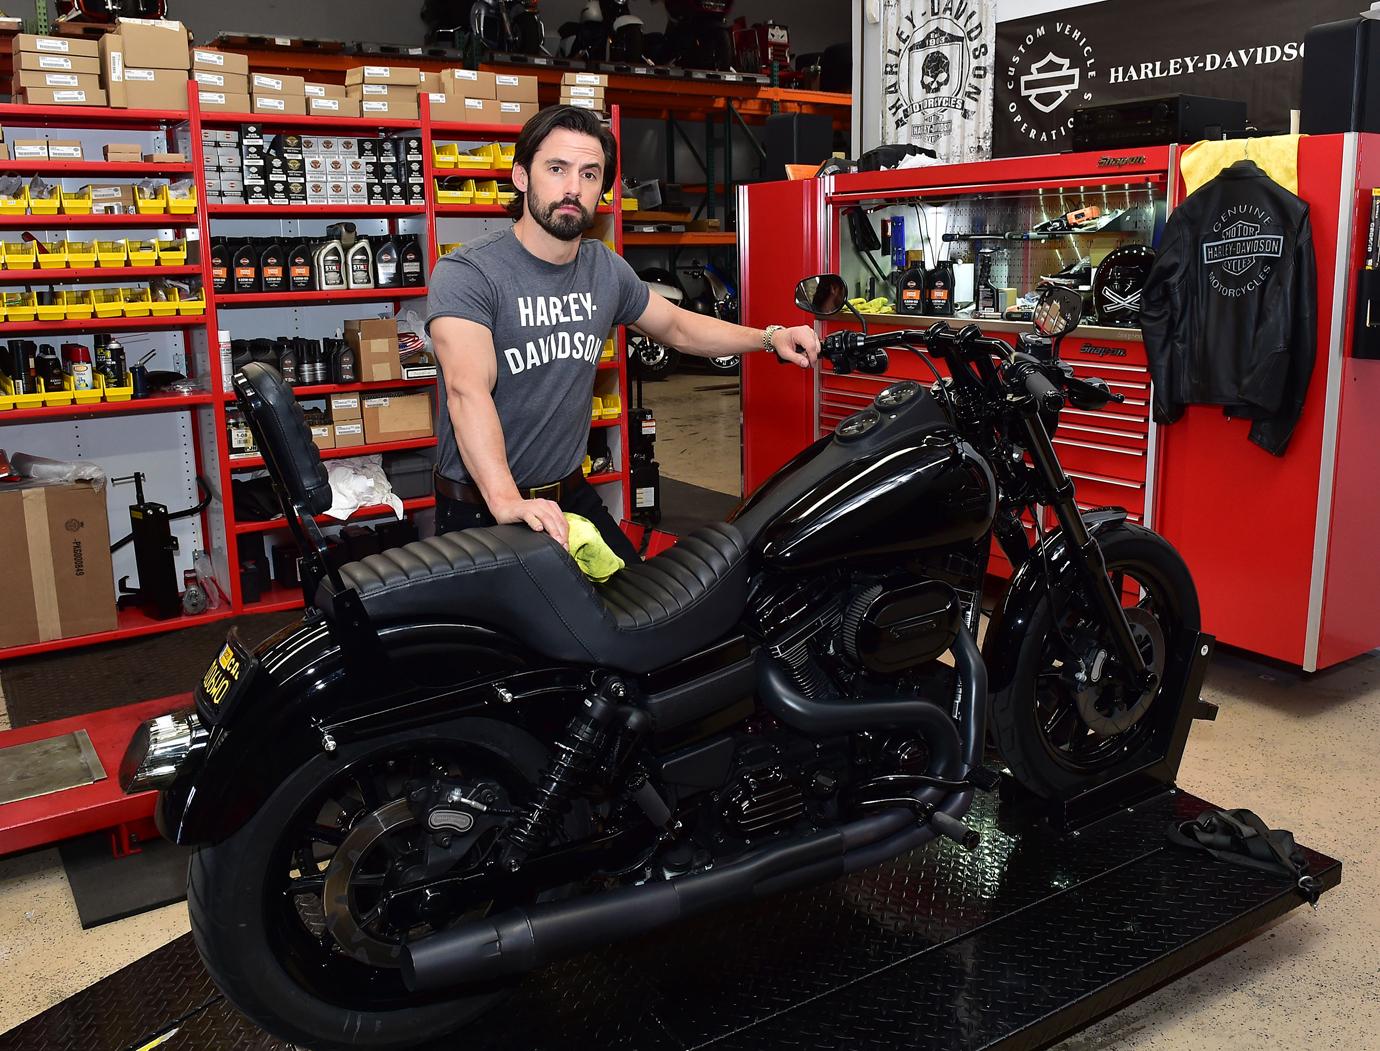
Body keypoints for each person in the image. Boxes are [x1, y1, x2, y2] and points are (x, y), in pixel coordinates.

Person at [425, 104, 820, 562]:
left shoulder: (604, 269)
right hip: (480, 505)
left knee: (641, 612)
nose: (573, 187)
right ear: (521, 177)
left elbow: (677, 327)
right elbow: (466, 389)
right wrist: (505, 500)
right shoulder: (469, 272)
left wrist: (769, 337)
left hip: (567, 496)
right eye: (557, 169)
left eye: (590, 174)